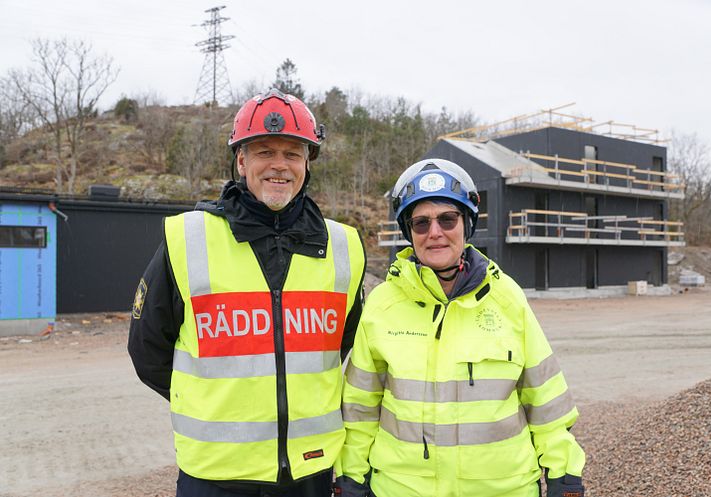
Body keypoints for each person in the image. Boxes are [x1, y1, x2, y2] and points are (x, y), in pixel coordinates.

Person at [128, 88, 366, 497]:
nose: (279, 165)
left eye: (293, 153)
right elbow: (149, 351)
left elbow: (346, 346)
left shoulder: (344, 247)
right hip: (215, 476)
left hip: (308, 474)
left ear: (308, 163)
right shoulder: (189, 239)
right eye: (264, 152)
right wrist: (210, 400)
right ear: (241, 160)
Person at [334, 159, 585, 497]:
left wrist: (563, 474)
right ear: (409, 233)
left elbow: (546, 402)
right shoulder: (383, 306)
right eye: (421, 223)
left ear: (467, 224)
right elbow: (359, 409)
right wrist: (351, 477)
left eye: (447, 219)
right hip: (402, 489)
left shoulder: (507, 298)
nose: (434, 232)